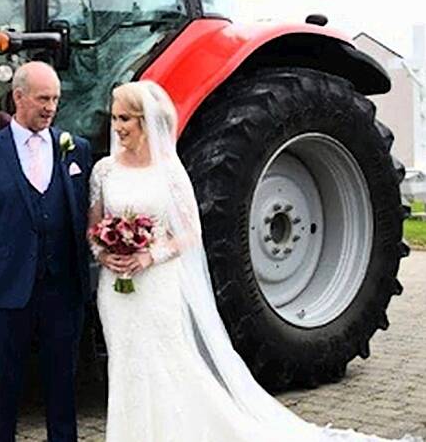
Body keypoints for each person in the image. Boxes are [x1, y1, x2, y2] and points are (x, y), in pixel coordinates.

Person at [89, 80, 422, 442]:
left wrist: (148, 255)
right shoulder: (104, 171)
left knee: (167, 364)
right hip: (117, 289)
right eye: (116, 118)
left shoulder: (169, 172)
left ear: (143, 121)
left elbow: (189, 234)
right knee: (126, 365)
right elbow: (93, 226)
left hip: (156, 285)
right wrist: (106, 252)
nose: (117, 126)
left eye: (125, 119)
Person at [0, 61, 93, 442]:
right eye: (43, 98)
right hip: (7, 291)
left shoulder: (76, 149)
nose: (50, 107)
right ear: (18, 97)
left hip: (64, 291)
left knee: (63, 391)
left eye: (56, 99)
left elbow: (88, 217)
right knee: (4, 392)